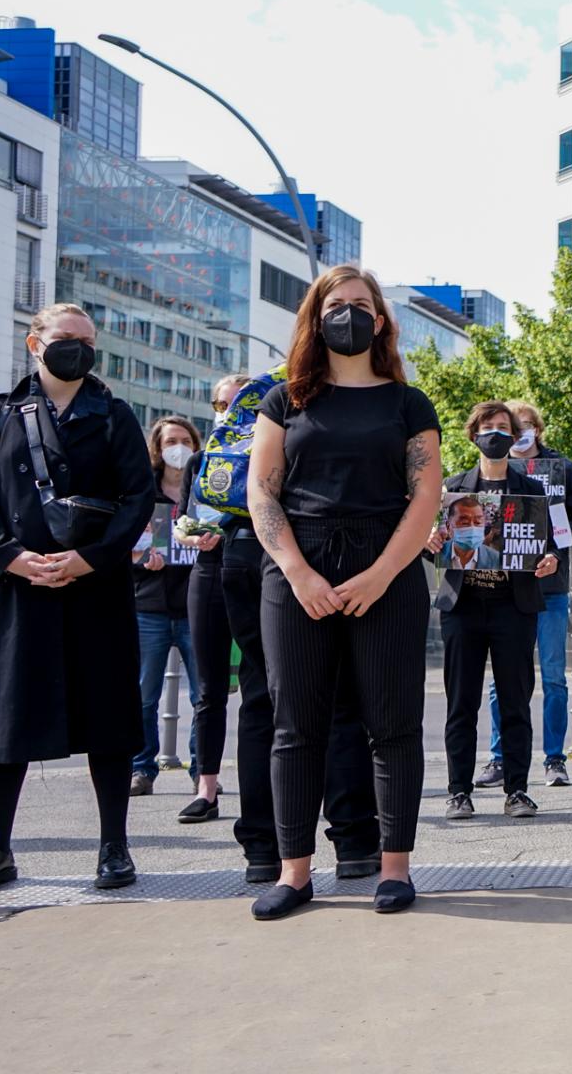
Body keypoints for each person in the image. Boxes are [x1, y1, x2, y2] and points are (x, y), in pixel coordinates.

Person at [246, 264, 444, 919]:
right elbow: (261, 492)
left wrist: (383, 573)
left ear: (380, 320)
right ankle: (295, 873)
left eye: (361, 305)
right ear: (315, 317)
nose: (350, 315)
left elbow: (425, 497)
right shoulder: (284, 400)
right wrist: (299, 573)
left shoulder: (408, 403)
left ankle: (393, 868)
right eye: (337, 305)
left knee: (393, 726)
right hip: (297, 567)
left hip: (384, 566)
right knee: (294, 727)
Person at [0, 303, 157, 895]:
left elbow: (137, 496)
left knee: (108, 717)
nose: (79, 348)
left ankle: (114, 849)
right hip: (15, 590)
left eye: (88, 340)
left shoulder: (114, 415)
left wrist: (91, 559)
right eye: (66, 338)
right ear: (35, 343)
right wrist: (10, 555)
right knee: (6, 718)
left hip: (93, 589)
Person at [210, 374, 382, 885]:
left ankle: (265, 847)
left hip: (245, 546)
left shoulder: (256, 402)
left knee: (263, 702)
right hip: (310, 545)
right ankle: (352, 840)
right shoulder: (321, 396)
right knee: (341, 699)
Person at [429, 401, 559, 821]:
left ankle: (517, 790)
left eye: (504, 427)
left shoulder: (531, 490)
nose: (496, 434)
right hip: (463, 607)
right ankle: (458, 791)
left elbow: (546, 543)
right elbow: (438, 549)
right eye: (488, 427)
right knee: (460, 703)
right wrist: (431, 542)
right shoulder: (454, 486)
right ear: (474, 435)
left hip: (513, 607)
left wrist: (549, 559)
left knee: (516, 700)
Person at [475, 400, 572, 789]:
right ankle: (498, 756)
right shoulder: (491, 472)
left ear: (537, 430)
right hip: (506, 589)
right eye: (512, 427)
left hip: (551, 590)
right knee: (502, 680)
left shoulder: (564, 470)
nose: (518, 434)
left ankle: (555, 759)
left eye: (524, 426)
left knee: (555, 677)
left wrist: (556, 544)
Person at [174, 376, 248, 824]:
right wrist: (188, 531)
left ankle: (272, 784)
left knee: (266, 688)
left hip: (256, 574)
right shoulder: (200, 462)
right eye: (220, 402)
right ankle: (207, 787)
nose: (226, 410)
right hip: (207, 574)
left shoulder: (270, 454)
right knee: (208, 690)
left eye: (236, 402)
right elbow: (183, 516)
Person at [129, 416, 205, 796]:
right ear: (157, 449)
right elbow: (124, 544)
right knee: (144, 694)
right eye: (170, 440)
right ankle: (141, 769)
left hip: (197, 606)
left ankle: (203, 772)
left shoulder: (204, 492)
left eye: (185, 440)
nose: (178, 447)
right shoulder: (143, 494)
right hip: (150, 606)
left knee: (203, 695)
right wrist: (141, 558)